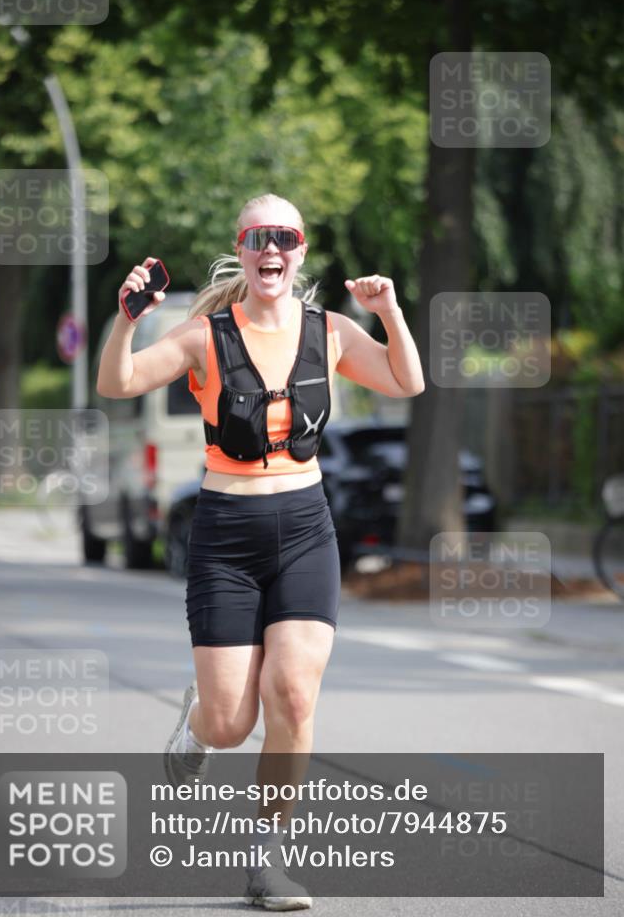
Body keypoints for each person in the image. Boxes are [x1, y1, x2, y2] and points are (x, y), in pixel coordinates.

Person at [97, 192, 424, 911]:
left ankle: (266, 861)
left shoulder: (330, 332)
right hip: (225, 536)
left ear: (300, 250)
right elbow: (115, 383)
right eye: (257, 237)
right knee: (229, 723)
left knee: (295, 694)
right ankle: (197, 721)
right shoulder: (202, 338)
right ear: (242, 251)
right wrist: (127, 322)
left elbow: (407, 380)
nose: (270, 248)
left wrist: (390, 313)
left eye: (284, 236)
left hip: (305, 526)